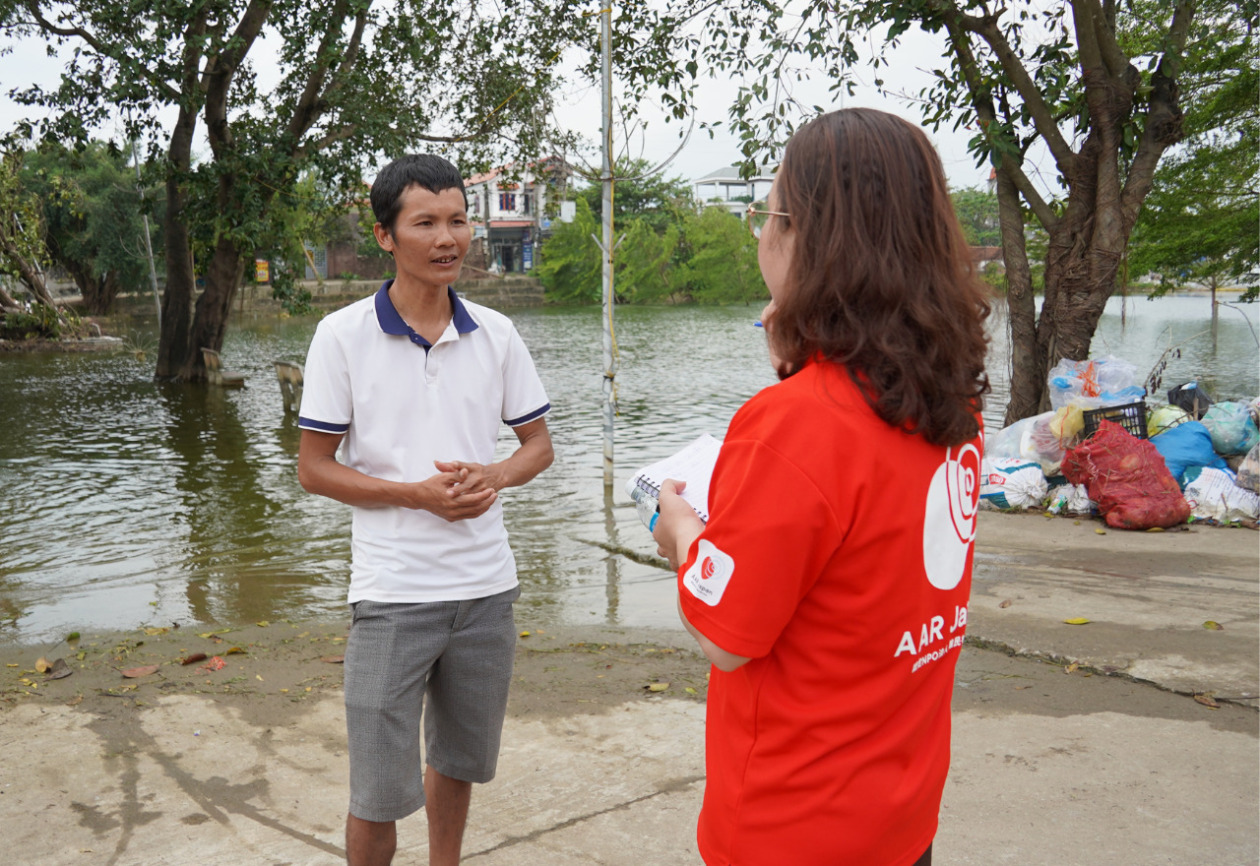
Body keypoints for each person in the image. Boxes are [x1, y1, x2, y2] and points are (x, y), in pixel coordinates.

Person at [652, 108, 991, 866]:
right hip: (900, 813)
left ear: (805, 234)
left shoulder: (795, 424)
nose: (762, 238)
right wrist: (797, 367)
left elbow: (725, 637)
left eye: (765, 216)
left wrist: (680, 528)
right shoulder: (945, 398)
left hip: (796, 825)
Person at [296, 153, 553, 866]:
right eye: (426, 223)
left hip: (485, 590)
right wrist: (416, 496)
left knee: (460, 761)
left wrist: (494, 475)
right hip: (391, 594)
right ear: (385, 235)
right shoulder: (341, 336)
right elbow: (313, 470)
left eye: (459, 221)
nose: (449, 239)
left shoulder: (496, 334)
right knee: (377, 790)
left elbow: (538, 447)